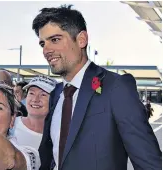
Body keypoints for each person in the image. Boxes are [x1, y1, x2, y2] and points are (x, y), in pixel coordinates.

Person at [32, 4, 162, 170]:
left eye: (55, 40)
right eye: (43, 44)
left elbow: (149, 164)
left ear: (81, 40)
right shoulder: (56, 94)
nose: (46, 50)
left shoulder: (117, 87)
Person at [12, 76, 57, 150]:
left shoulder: (58, 133)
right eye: (31, 93)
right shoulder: (11, 125)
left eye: (43, 95)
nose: (35, 99)